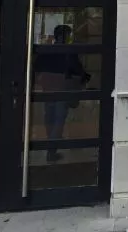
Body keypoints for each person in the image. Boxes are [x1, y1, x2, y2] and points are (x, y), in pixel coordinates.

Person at [33, 25, 89, 162]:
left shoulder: (47, 50)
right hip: (62, 88)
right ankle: (51, 149)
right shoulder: (69, 52)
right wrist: (85, 78)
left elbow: (37, 66)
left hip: (48, 88)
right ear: (65, 36)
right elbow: (77, 69)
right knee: (58, 120)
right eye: (68, 35)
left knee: (50, 117)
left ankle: (50, 142)